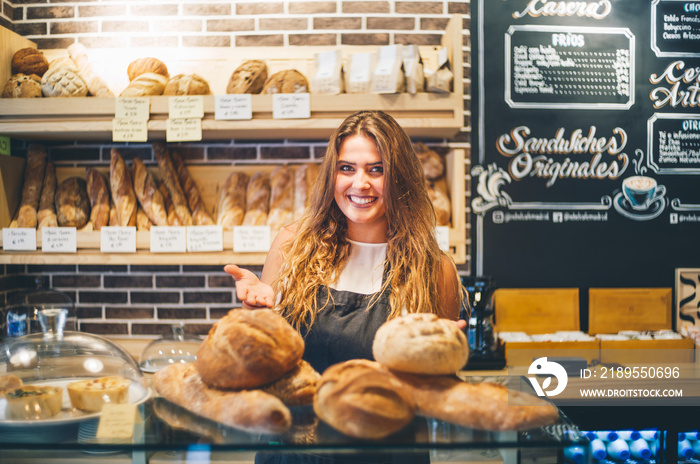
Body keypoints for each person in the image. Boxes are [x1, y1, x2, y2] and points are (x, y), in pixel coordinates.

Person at [225, 110, 468, 463]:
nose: (360, 183)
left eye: (376, 169)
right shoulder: (292, 247)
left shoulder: (434, 269)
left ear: (399, 178)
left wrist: (442, 363)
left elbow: (436, 396)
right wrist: (256, 317)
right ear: (332, 175)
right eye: (347, 168)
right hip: (294, 453)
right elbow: (264, 367)